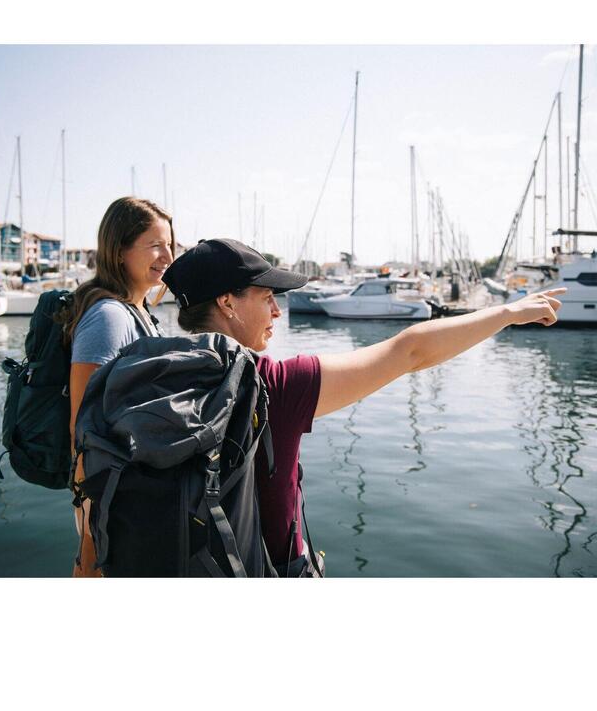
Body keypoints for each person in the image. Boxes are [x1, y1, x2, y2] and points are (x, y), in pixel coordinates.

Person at [158, 238, 566, 572]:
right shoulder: (274, 387)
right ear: (227, 303)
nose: (277, 311)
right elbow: (410, 352)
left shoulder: (147, 378)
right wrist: (508, 313)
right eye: (266, 297)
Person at [65, 197, 175, 577]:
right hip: (108, 505)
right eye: (156, 244)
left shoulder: (141, 313)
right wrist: (91, 536)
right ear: (121, 250)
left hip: (131, 498)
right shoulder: (108, 317)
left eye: (171, 245)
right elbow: (82, 429)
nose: (168, 255)